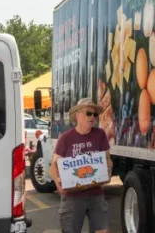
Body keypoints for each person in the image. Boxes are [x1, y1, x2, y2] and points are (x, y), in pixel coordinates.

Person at [49, 98, 113, 233]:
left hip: (96, 194)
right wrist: (57, 182)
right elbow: (54, 165)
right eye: (88, 113)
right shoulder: (65, 138)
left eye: (95, 114)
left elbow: (107, 158)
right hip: (72, 196)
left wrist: (108, 171)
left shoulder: (100, 134)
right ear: (77, 115)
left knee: (102, 231)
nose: (92, 117)